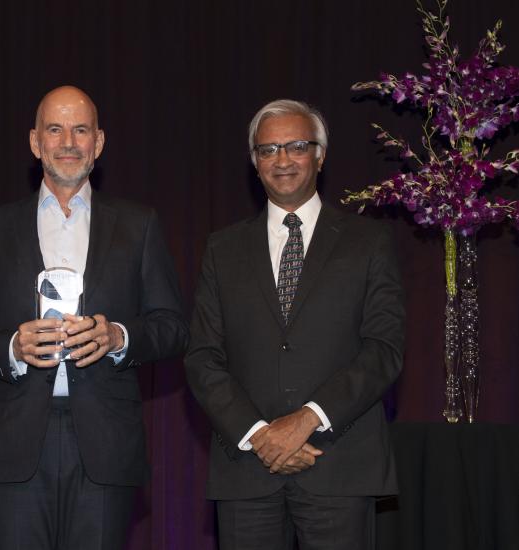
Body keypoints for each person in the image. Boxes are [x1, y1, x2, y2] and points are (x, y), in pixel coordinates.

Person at [0, 85, 189, 550]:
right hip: (16, 446)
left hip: (105, 446)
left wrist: (118, 336)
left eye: (80, 130)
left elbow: (173, 326)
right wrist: (12, 347)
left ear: (98, 142)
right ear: (34, 141)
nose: (68, 142)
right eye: (56, 129)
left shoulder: (139, 224)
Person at [184, 99, 405, 550]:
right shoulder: (222, 249)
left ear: (320, 155)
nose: (282, 160)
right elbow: (203, 356)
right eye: (268, 150)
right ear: (255, 162)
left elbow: (383, 350)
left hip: (340, 466)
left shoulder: (370, 242)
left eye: (296, 146)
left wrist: (306, 420)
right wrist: (259, 436)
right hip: (247, 468)